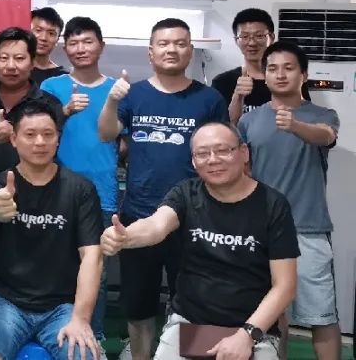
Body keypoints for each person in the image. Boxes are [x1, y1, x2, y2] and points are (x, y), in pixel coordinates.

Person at [101, 122, 299, 360]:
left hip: (253, 329)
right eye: (202, 154)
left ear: (244, 153)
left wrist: (247, 335)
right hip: (189, 323)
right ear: (194, 162)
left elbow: (285, 286)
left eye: (223, 150)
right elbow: (157, 225)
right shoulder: (186, 193)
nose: (213, 160)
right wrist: (126, 237)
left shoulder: (273, 205)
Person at [98, 18, 228, 360]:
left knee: (194, 304)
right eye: (164, 43)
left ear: (190, 50)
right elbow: (106, 133)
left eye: (180, 43)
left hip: (195, 218)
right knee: (139, 305)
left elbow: (223, 150)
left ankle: (187, 354)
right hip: (139, 216)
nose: (172, 49)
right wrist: (111, 101)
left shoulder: (209, 98)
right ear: (151, 52)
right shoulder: (135, 93)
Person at [0, 100, 103, 360]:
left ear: (58, 139)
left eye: (48, 134)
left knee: (85, 356)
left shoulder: (81, 189)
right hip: (5, 302)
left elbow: (92, 257)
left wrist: (80, 318)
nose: (40, 142)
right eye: (30, 134)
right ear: (13, 139)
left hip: (62, 307)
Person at [239, 41, 341, 360]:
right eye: (272, 68)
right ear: (265, 76)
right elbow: (243, 170)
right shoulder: (250, 121)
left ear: (303, 75)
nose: (280, 74)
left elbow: (326, 136)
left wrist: (294, 125)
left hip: (308, 229)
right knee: (272, 314)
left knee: (322, 315)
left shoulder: (323, 115)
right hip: (261, 231)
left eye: (289, 67)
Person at [39, 16, 119, 342]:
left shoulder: (117, 89)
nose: (81, 48)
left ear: (102, 45)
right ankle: (52, 333)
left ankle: (93, 337)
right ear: (65, 48)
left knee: (96, 270)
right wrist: (65, 111)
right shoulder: (52, 87)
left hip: (103, 194)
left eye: (87, 41)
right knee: (54, 266)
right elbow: (38, 131)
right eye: (73, 42)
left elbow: (125, 139)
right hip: (56, 191)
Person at [0, 27, 64, 183]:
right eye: (3, 58)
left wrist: (16, 135)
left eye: (19, 58)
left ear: (32, 63)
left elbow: (53, 152)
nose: (11, 66)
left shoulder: (50, 104)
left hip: (33, 193)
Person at [0, 8, 68, 86]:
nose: (43, 37)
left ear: (57, 39)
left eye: (51, 33)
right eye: (38, 30)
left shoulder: (62, 77)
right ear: (28, 31)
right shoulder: (5, 64)